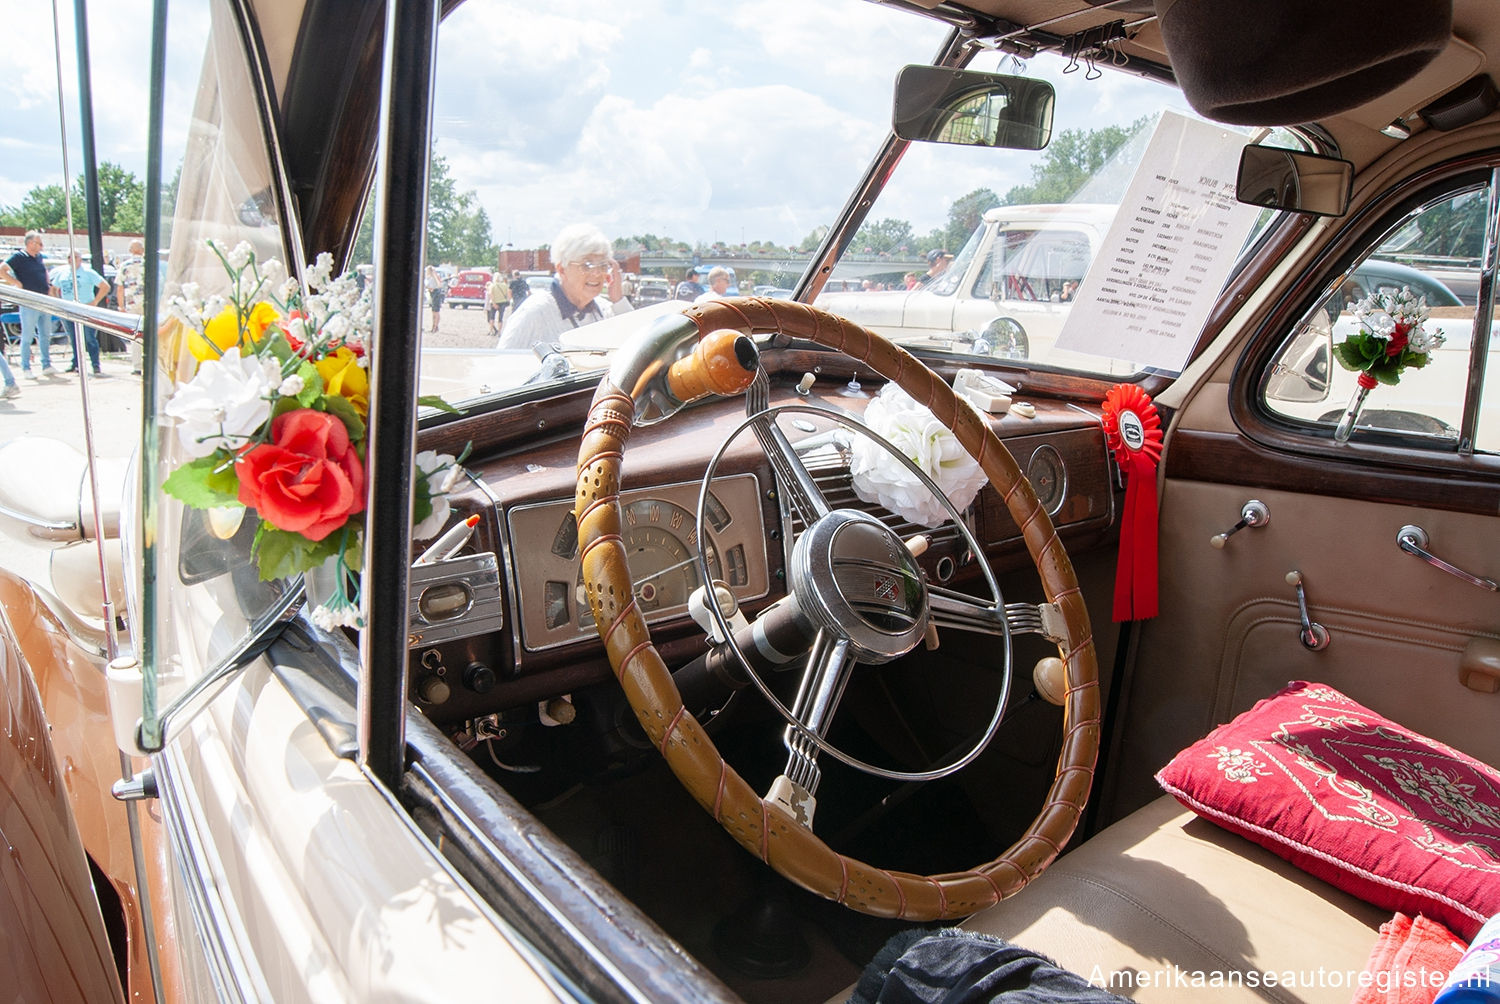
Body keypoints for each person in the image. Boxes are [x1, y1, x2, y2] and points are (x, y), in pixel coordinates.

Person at [498, 224, 632, 352]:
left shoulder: (605, 311)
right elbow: (499, 366)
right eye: (587, 265)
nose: (597, 273)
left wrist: (619, 300)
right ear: (562, 269)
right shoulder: (535, 313)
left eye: (603, 265)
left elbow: (639, 349)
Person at [0, 231, 61, 378]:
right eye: (39, 243)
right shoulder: (19, 257)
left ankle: (46, 364)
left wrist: (49, 286)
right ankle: (26, 367)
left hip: (43, 300)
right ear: (30, 243)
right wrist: (15, 283)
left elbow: (43, 272)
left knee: (45, 334)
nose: (41, 246)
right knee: (27, 335)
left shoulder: (39, 257)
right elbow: (2, 269)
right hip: (28, 301)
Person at [49, 249, 110, 376]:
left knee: (89, 338)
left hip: (86, 310)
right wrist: (59, 302)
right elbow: (53, 288)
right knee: (74, 338)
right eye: (69, 257)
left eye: (75, 257)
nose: (71, 259)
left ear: (80, 259)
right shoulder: (63, 273)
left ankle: (95, 365)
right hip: (68, 310)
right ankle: (76, 364)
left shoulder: (88, 272)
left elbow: (105, 286)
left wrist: (95, 301)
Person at [117, 238, 149, 373]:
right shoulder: (148, 264)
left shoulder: (124, 266)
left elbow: (119, 287)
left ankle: (137, 366)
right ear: (142, 250)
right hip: (148, 303)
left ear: (130, 251)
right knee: (151, 333)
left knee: (135, 335)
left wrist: (121, 307)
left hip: (131, 304)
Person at [484, 271, 511, 337]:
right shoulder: (505, 285)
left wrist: (494, 303)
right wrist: (508, 300)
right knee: (500, 318)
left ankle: (491, 331)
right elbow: (508, 294)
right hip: (502, 302)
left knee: (492, 317)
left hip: (494, 303)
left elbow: (491, 294)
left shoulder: (492, 285)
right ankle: (499, 332)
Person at [424, 265, 445, 333]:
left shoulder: (435, 277)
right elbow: (426, 285)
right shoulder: (428, 278)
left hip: (436, 293)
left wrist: (435, 275)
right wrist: (429, 288)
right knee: (433, 312)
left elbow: (439, 285)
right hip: (431, 293)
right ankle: (434, 326)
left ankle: (435, 326)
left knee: (436, 311)